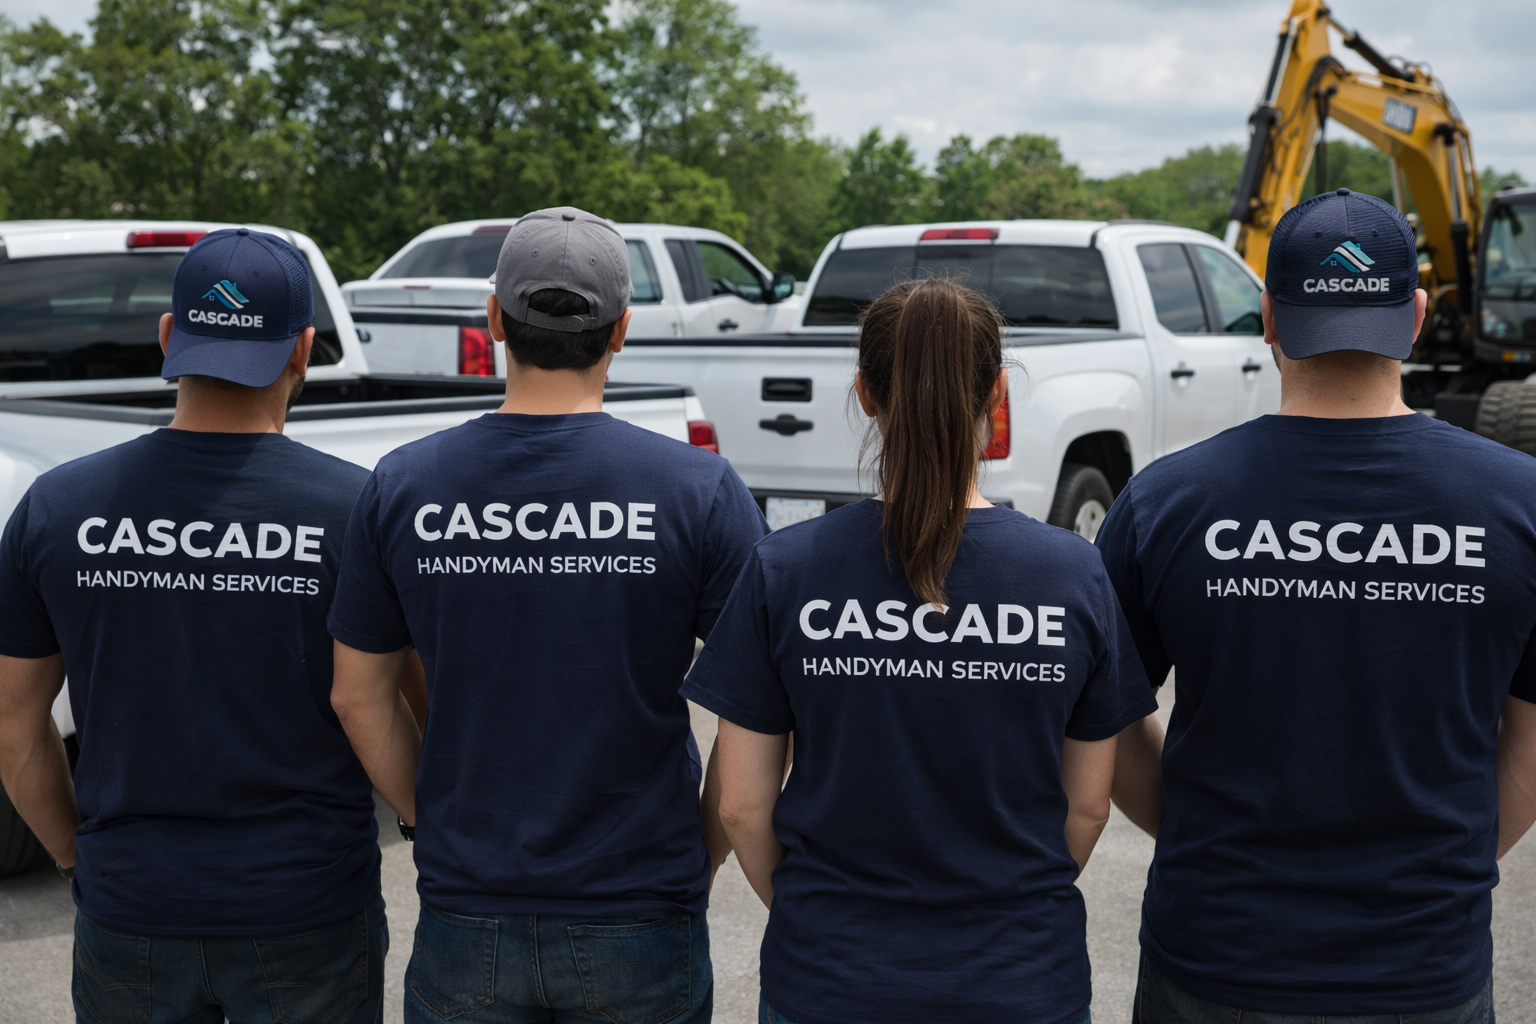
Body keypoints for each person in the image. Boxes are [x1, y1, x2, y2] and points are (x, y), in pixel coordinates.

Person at [1099, 188, 1536, 1023]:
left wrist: (1199, 839)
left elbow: (1104, 721)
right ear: (1413, 316)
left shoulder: (1167, 503)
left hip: (1215, 959)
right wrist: (1445, 863)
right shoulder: (1519, 505)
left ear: (1267, 317)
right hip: (1424, 966)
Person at [327, 206, 766, 1024]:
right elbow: (766, 705)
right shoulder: (696, 490)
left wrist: (430, 819)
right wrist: (696, 855)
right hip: (640, 902)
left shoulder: (404, 484)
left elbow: (358, 696)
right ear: (622, 330)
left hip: (468, 907)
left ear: (492, 320)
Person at [683, 277, 1157, 1024]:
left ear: (865, 394)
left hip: (830, 981)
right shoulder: (1072, 574)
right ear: (996, 394)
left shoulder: (785, 570)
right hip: (1020, 981)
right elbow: (1090, 806)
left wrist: (819, 916)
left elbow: (742, 806)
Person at [0, 228, 388, 1024]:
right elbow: (388, 702)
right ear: (302, 351)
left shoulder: (57, 507)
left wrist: (84, 860)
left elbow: (13, 727)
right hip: (306, 909)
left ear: (170, 336)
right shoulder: (358, 511)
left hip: (131, 911)